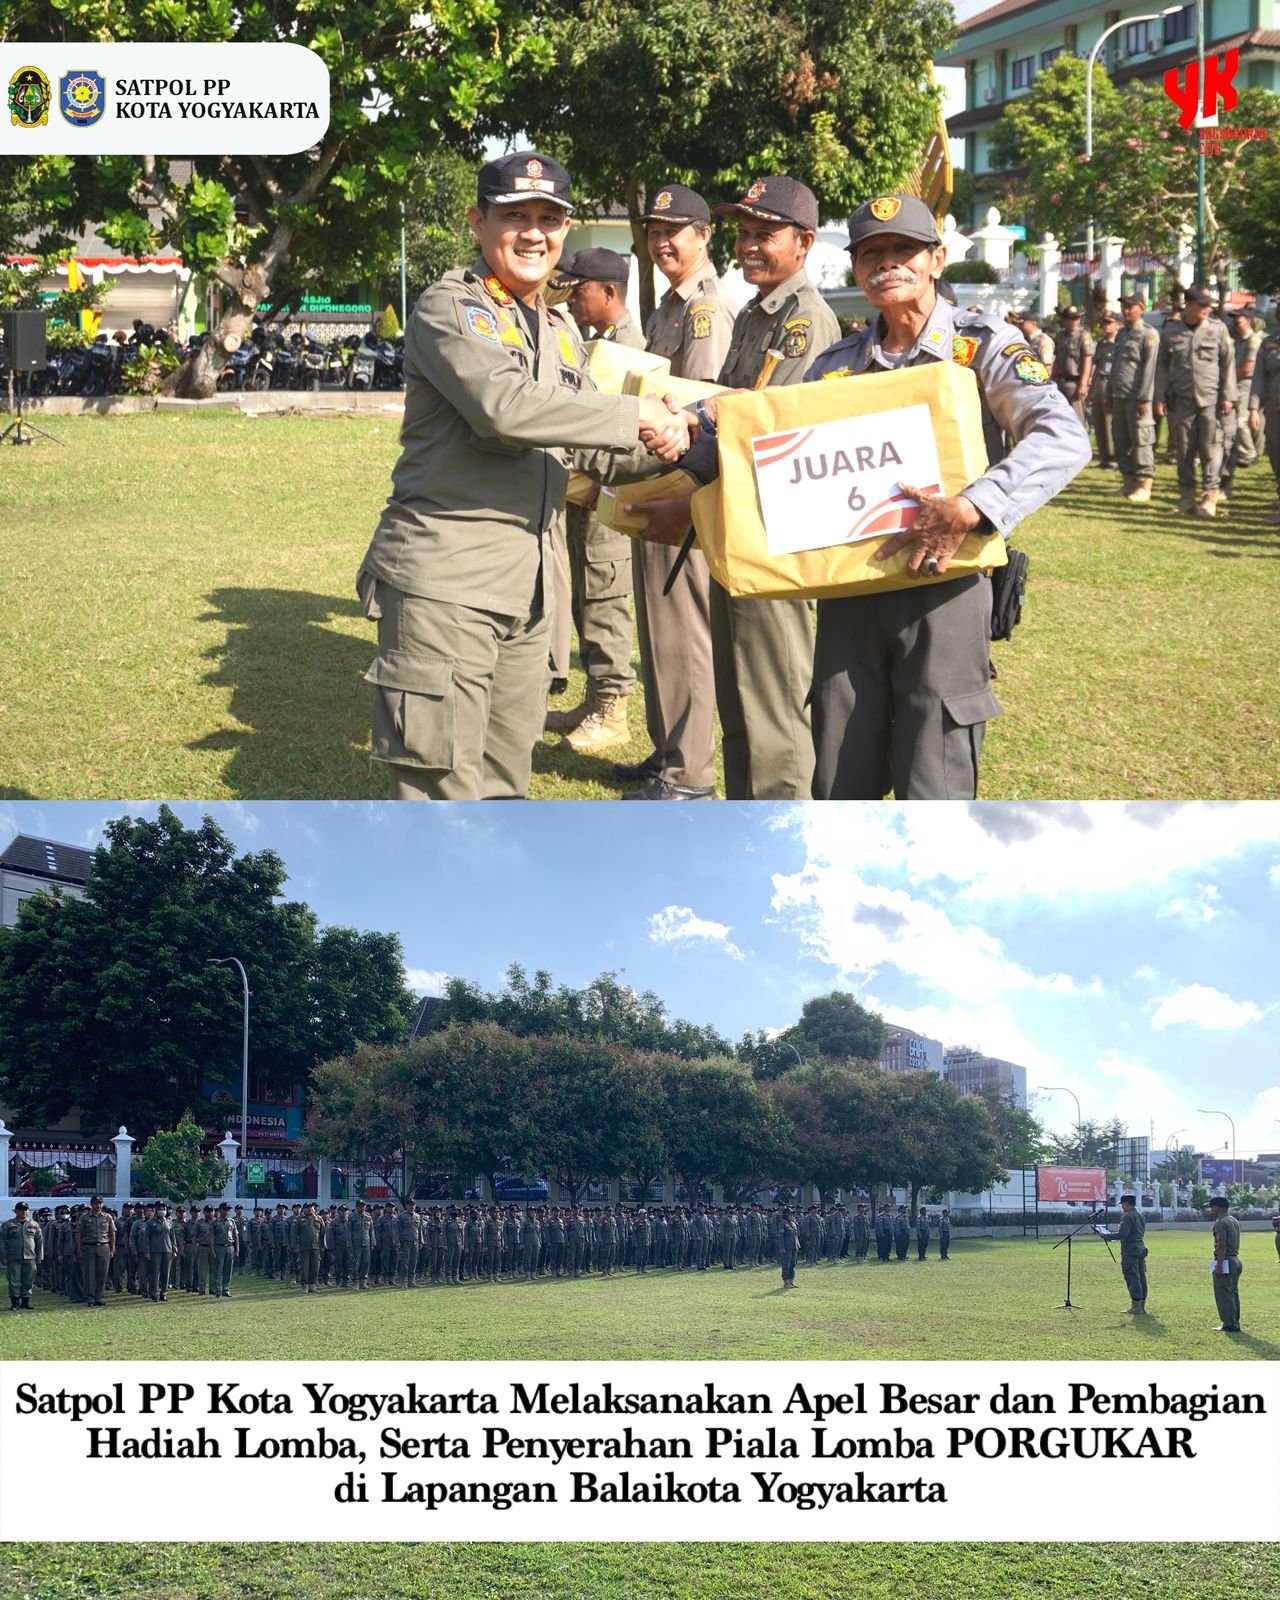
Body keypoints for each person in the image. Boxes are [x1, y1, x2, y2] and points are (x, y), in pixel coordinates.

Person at [357, 150, 693, 800]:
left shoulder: (559, 328)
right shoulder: (451, 307)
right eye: (516, 216)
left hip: (531, 596)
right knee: (443, 796)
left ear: (566, 231)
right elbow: (504, 409)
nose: (534, 232)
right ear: (478, 221)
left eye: (549, 218)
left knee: (506, 792)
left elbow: (585, 446)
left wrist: (691, 439)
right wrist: (636, 415)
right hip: (448, 589)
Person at [777, 195, 1086, 799]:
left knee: (934, 775)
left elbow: (1062, 437)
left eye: (904, 250)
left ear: (937, 258)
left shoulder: (985, 345)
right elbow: (781, 447)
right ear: (856, 269)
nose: (887, 263)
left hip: (945, 583)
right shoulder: (834, 366)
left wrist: (971, 508)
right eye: (871, 253)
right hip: (850, 588)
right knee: (841, 770)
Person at [633, 177, 839, 800]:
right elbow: (721, 416)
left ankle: (779, 844)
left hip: (775, 531)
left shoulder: (804, 319)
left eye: (764, 234)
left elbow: (776, 426)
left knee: (773, 709)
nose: (749, 246)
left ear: (803, 242)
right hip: (738, 524)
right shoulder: (755, 312)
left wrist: (701, 420)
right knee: (740, 700)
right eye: (744, 233)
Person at [617, 184, 737, 800]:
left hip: (683, 482)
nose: (662, 240)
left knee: (683, 627)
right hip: (654, 476)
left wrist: (683, 495)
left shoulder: (705, 310)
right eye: (654, 230)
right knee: (658, 626)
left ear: (704, 235)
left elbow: (703, 405)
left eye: (676, 230)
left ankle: (688, 774)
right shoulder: (670, 305)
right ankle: (668, 751)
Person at [543, 248, 645, 755]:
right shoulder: (596, 343)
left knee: (606, 597)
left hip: (611, 489)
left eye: (579, 291)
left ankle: (613, 709)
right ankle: (593, 697)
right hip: (585, 489)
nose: (572, 301)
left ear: (609, 292)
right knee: (586, 592)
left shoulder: (630, 350)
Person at [1155, 285, 1236, 518]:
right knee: (1184, 450)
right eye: (1202, 305)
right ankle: (1187, 498)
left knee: (1211, 449)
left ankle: (1209, 498)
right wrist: (1159, 396)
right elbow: (1161, 368)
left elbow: (1228, 364)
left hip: (1211, 400)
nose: (1207, 309)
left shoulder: (1218, 330)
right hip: (1181, 400)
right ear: (1189, 306)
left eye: (1208, 305)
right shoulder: (1171, 332)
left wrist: (1229, 396)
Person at [1106, 295, 1160, 503]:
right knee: (1121, 440)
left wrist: (1145, 398)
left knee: (1142, 440)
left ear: (1141, 308)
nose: (1126, 310)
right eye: (1123, 307)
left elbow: (1150, 369)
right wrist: (1110, 391)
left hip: (1137, 397)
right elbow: (1116, 367)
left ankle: (1144, 484)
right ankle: (1128, 481)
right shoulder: (1121, 335)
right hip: (1119, 395)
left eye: (1130, 307)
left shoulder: (1149, 334)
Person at [1248, 321, 1280, 525]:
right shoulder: (1270, 343)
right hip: (1274, 409)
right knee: (1276, 455)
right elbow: (1259, 377)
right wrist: (1253, 408)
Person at [1051, 305, 1094, 428]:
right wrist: (1051, 380)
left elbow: (1087, 360)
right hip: (1060, 382)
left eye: (1077, 318)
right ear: (1064, 320)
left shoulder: (1083, 336)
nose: (1075, 321)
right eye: (1071, 319)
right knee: (1060, 419)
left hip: (1075, 383)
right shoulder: (1060, 336)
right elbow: (1057, 360)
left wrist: (1083, 384)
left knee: (1076, 421)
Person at [1208, 1194, 1242, 1333]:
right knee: (1233, 1292)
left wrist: (1219, 1265)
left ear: (1218, 1207)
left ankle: (1229, 1324)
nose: (1211, 1210)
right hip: (1235, 1259)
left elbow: (1221, 1244)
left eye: (1212, 1207)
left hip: (1225, 1259)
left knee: (1223, 1294)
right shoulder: (1233, 1220)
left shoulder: (1221, 1222)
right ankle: (1234, 1321)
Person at [74, 1193, 115, 1308]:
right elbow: (78, 1234)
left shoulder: (107, 1217)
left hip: (103, 1246)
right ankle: (90, 1298)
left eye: (100, 1203)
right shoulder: (84, 1217)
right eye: (96, 1203)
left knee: (102, 1274)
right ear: (92, 1204)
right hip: (88, 1247)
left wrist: (112, 1249)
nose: (98, 1205)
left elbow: (112, 1234)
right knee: (89, 1274)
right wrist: (79, 1250)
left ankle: (99, 1297)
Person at [1091, 310, 1120, 470]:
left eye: (1109, 322)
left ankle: (1113, 458)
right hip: (1099, 381)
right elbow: (1096, 366)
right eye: (1104, 322)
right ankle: (1103, 457)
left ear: (1117, 324)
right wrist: (1090, 390)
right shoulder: (1101, 343)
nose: (1105, 326)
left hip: (1112, 382)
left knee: (1109, 421)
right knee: (1098, 421)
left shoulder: (1119, 342)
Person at [3, 1200, 43, 1311]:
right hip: (14, 1257)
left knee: (28, 1280)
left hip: (30, 1257)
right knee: (14, 1281)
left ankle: (25, 1302)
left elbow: (39, 1241)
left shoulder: (34, 1224)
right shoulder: (8, 1224)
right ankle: (15, 1303)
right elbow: (2, 1241)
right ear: (16, 1211)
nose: (24, 1212)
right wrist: (3, 1257)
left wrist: (40, 1256)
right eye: (21, 1210)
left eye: (25, 1210)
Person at [1116, 1193, 1148, 1315]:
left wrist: (1106, 1236)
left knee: (1132, 1276)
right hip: (1140, 1248)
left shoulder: (1128, 1217)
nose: (1122, 1207)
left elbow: (1122, 1235)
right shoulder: (1140, 1216)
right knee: (1141, 1277)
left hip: (1130, 1250)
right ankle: (1142, 1304)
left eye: (1123, 1204)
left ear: (1126, 1204)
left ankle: (1136, 1305)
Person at [778, 1208, 800, 1289]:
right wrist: (782, 1247)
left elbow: (796, 1236)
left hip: (794, 1247)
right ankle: (786, 1282)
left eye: (792, 1215)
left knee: (792, 1264)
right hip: (786, 1248)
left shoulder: (793, 1224)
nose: (791, 1216)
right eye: (790, 1214)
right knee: (786, 1265)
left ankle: (791, 1282)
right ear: (786, 1215)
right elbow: (781, 1237)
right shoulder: (783, 1224)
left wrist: (797, 1245)